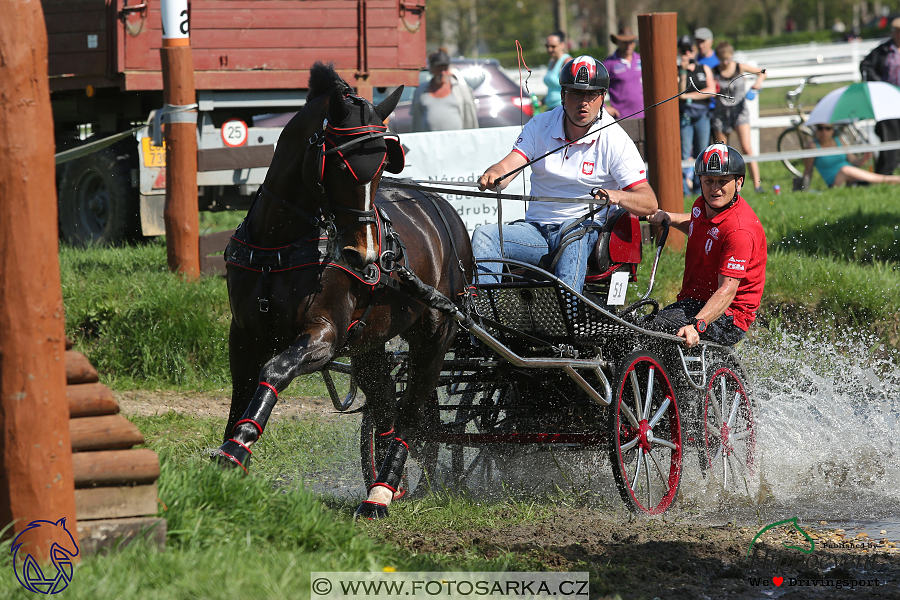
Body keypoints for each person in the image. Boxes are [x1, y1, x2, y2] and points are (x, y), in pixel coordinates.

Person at [471, 55, 657, 293]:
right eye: (576, 93)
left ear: (602, 97)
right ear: (562, 95)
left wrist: (617, 196)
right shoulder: (539, 126)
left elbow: (649, 203)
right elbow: (507, 169)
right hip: (536, 232)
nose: (584, 102)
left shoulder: (615, 139)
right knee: (484, 235)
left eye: (592, 94)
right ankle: (485, 316)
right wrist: (494, 174)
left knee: (573, 233)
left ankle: (567, 314)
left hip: (584, 233)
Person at [648, 143, 767, 348]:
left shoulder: (739, 230)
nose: (715, 188)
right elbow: (698, 225)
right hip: (695, 301)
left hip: (729, 316)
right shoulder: (702, 206)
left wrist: (696, 324)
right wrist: (669, 217)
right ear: (700, 180)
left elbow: (727, 291)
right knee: (640, 325)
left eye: (722, 181)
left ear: (739, 182)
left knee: (654, 329)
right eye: (709, 181)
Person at [710, 42, 766, 193]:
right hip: (721, 114)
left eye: (728, 58)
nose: (725, 62)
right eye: (722, 59)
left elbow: (763, 72)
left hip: (739, 112)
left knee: (747, 148)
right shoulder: (713, 71)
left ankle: (757, 184)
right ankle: (723, 187)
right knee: (721, 152)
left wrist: (757, 85)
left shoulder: (740, 67)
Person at [859, 18, 900, 175]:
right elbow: (866, 67)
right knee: (890, 139)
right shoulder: (883, 50)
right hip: (888, 101)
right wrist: (880, 85)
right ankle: (884, 174)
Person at [802, 122, 900, 187]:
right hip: (836, 181)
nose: (824, 132)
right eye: (820, 128)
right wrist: (804, 188)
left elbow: (854, 161)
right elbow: (808, 170)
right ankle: (893, 179)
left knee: (847, 169)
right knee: (845, 169)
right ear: (816, 130)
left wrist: (864, 159)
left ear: (832, 130)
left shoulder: (839, 141)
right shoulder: (813, 146)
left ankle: (877, 181)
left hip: (849, 174)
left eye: (828, 128)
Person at [678, 35, 716, 196]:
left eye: (690, 49)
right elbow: (679, 92)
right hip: (685, 116)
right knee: (684, 154)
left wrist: (689, 96)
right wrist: (683, 71)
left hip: (702, 115)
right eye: (684, 50)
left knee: (702, 153)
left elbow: (711, 91)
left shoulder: (704, 68)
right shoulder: (678, 70)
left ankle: (700, 189)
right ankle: (685, 191)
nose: (688, 53)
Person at [411, 48, 478, 132]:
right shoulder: (420, 91)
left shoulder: (462, 90)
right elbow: (416, 121)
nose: (442, 73)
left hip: (457, 141)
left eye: (445, 69)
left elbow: (471, 120)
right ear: (431, 69)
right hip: (429, 142)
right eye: (439, 69)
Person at [602, 27, 643, 119]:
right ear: (617, 42)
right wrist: (604, 107)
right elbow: (596, 88)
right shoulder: (608, 63)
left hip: (643, 115)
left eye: (631, 42)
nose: (628, 45)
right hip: (621, 117)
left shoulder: (641, 59)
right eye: (625, 42)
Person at [542, 31, 572, 110]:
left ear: (562, 45)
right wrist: (542, 101)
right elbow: (553, 89)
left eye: (553, 46)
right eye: (547, 46)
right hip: (550, 107)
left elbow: (572, 87)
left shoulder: (567, 62)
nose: (549, 49)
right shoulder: (551, 62)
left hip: (562, 107)